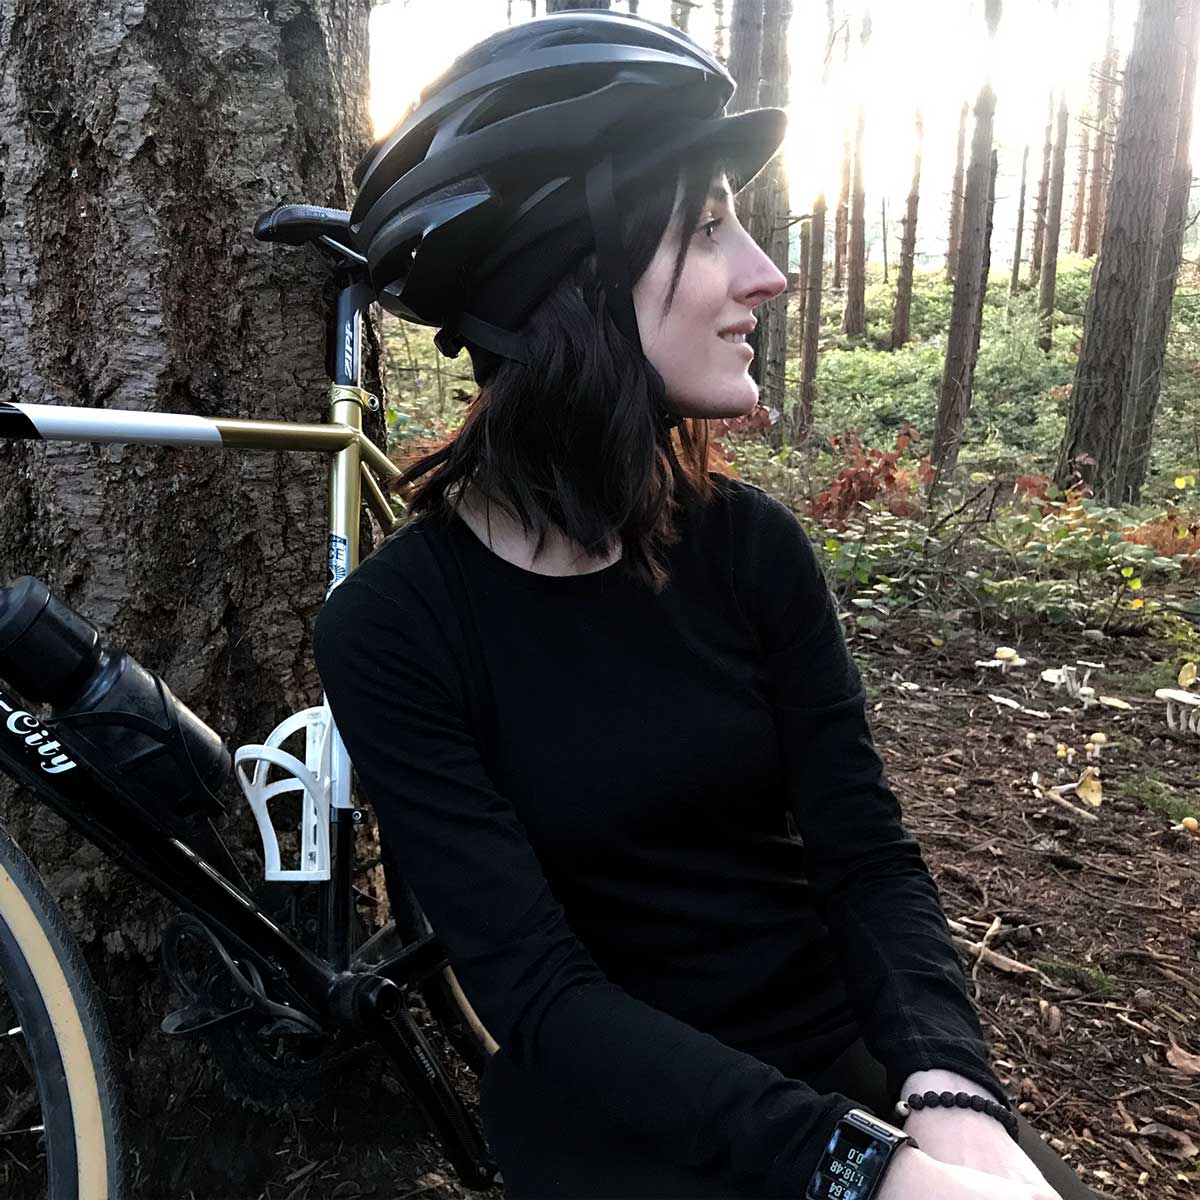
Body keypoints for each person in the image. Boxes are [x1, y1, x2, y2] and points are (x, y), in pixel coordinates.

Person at [315, 12, 1101, 1199]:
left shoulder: (751, 550)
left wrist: (953, 1097)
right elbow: (541, 997)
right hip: (613, 1114)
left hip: (839, 1063)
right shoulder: (395, 630)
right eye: (706, 227)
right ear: (570, 278)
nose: (765, 275)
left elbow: (866, 857)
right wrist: (863, 1174)